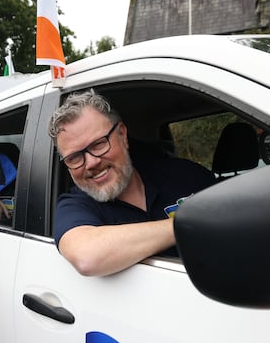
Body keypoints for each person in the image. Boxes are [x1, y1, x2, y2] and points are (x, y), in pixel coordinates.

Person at [49, 90, 216, 277]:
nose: (91, 163)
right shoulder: (74, 206)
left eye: (99, 144)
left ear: (122, 135)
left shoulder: (186, 175)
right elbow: (87, 256)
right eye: (74, 157)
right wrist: (192, 223)